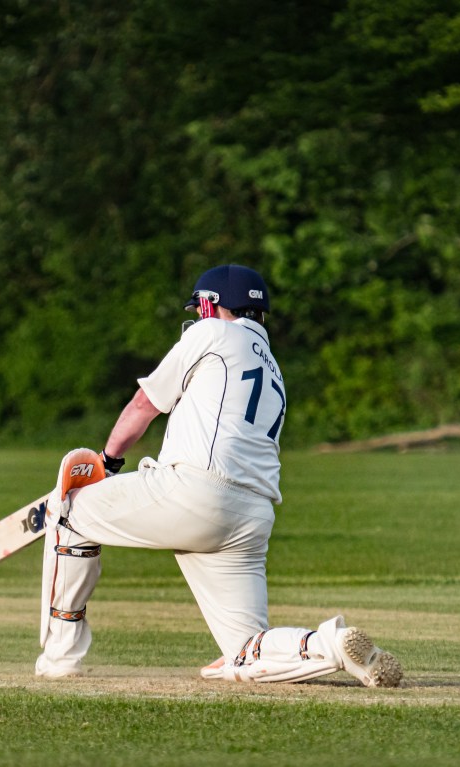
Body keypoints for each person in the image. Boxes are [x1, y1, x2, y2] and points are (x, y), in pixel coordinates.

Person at [36, 264, 402, 687]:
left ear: (211, 304)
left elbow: (144, 404)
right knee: (246, 652)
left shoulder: (210, 334)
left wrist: (109, 461)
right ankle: (328, 644)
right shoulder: (275, 369)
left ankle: (60, 658)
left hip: (193, 494)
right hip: (252, 518)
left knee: (69, 514)